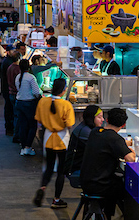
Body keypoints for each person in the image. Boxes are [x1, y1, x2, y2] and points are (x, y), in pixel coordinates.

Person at [79, 108, 136, 219]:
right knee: (125, 188)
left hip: (85, 181)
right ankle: (115, 214)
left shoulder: (95, 132)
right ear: (123, 125)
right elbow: (130, 159)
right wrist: (132, 150)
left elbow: (109, 140)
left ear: (107, 119)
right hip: (99, 186)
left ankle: (105, 214)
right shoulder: (115, 139)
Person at [33, 78, 75, 209]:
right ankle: (56, 199)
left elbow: (39, 120)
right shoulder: (66, 105)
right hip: (62, 140)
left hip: (48, 138)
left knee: (49, 167)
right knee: (61, 171)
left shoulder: (42, 101)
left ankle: (42, 187)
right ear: (63, 91)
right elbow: (69, 124)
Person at [64, 105, 104, 181]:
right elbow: (100, 148)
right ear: (91, 117)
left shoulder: (86, 127)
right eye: (99, 117)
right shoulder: (85, 131)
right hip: (77, 169)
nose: (102, 119)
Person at [14, 59, 41, 156]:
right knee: (32, 126)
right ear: (28, 67)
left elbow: (18, 89)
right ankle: (28, 147)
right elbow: (36, 92)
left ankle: (23, 147)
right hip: (29, 104)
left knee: (22, 126)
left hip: (19, 103)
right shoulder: (31, 77)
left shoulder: (18, 77)